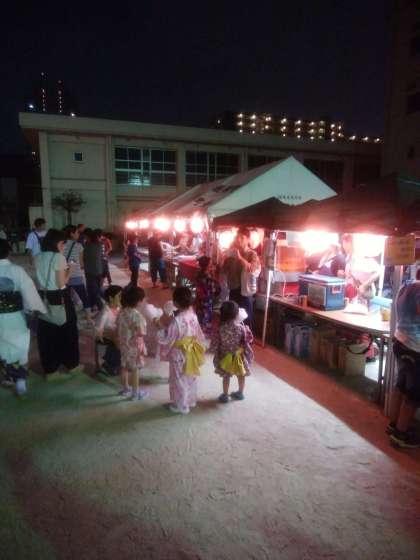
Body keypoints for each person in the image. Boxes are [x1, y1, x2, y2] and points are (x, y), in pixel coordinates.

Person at [0, 239, 46, 395]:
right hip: (15, 317)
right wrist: (34, 308)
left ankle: (7, 375)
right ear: (9, 252)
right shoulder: (16, 270)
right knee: (19, 346)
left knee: (2, 347)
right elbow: (28, 292)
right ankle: (20, 379)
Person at [35, 229, 81, 379]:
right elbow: (61, 283)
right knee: (68, 331)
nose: (63, 246)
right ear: (55, 243)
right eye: (62, 243)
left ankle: (51, 369)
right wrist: (71, 270)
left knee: (47, 334)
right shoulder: (58, 258)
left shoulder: (38, 256)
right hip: (59, 296)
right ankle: (71, 364)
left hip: (43, 296)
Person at [157, 287, 205, 414]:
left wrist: (160, 329)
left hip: (178, 353)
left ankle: (181, 406)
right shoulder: (193, 316)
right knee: (189, 376)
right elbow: (198, 333)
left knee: (178, 378)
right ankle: (190, 401)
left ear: (176, 303)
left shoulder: (177, 321)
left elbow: (168, 339)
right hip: (191, 350)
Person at [388, 271, 420, 449]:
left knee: (400, 385)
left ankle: (393, 424)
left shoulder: (406, 286)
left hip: (400, 342)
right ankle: (400, 434)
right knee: (413, 394)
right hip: (415, 347)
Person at [210, 300, 254, 403]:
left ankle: (225, 395)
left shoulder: (220, 329)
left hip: (225, 357)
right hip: (239, 356)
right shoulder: (241, 328)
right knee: (241, 374)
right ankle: (240, 392)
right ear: (237, 314)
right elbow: (249, 339)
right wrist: (247, 329)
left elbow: (215, 343)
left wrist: (212, 350)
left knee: (226, 376)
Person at [116, 286, 148, 400]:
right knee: (135, 369)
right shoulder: (137, 316)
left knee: (124, 365)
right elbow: (141, 332)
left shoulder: (121, 312)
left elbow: (117, 325)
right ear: (139, 301)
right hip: (134, 346)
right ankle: (135, 393)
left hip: (123, 344)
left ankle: (125, 389)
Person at [63, 225, 91, 322]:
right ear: (72, 234)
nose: (79, 234)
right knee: (84, 297)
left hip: (64, 277)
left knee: (67, 299)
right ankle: (88, 317)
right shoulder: (79, 246)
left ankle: (68, 317)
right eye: (77, 232)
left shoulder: (61, 245)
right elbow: (81, 263)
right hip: (76, 276)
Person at [95, 285, 123, 376]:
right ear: (111, 298)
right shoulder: (105, 312)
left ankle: (116, 363)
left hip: (117, 338)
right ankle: (110, 363)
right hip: (106, 341)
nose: (122, 298)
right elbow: (98, 331)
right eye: (119, 296)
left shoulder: (119, 308)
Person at [195, 256, 220, 336]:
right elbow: (213, 290)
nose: (211, 265)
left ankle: (199, 330)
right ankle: (204, 332)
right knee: (206, 315)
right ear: (207, 265)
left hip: (199, 298)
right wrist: (215, 279)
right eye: (210, 263)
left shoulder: (199, 273)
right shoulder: (208, 276)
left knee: (200, 313)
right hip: (207, 299)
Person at [83, 229, 104, 311]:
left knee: (92, 290)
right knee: (96, 289)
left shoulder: (86, 246)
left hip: (90, 271)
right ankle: (93, 305)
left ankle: (100, 306)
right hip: (99, 270)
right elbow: (102, 258)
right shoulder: (100, 244)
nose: (85, 238)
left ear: (89, 237)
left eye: (85, 237)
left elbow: (84, 258)